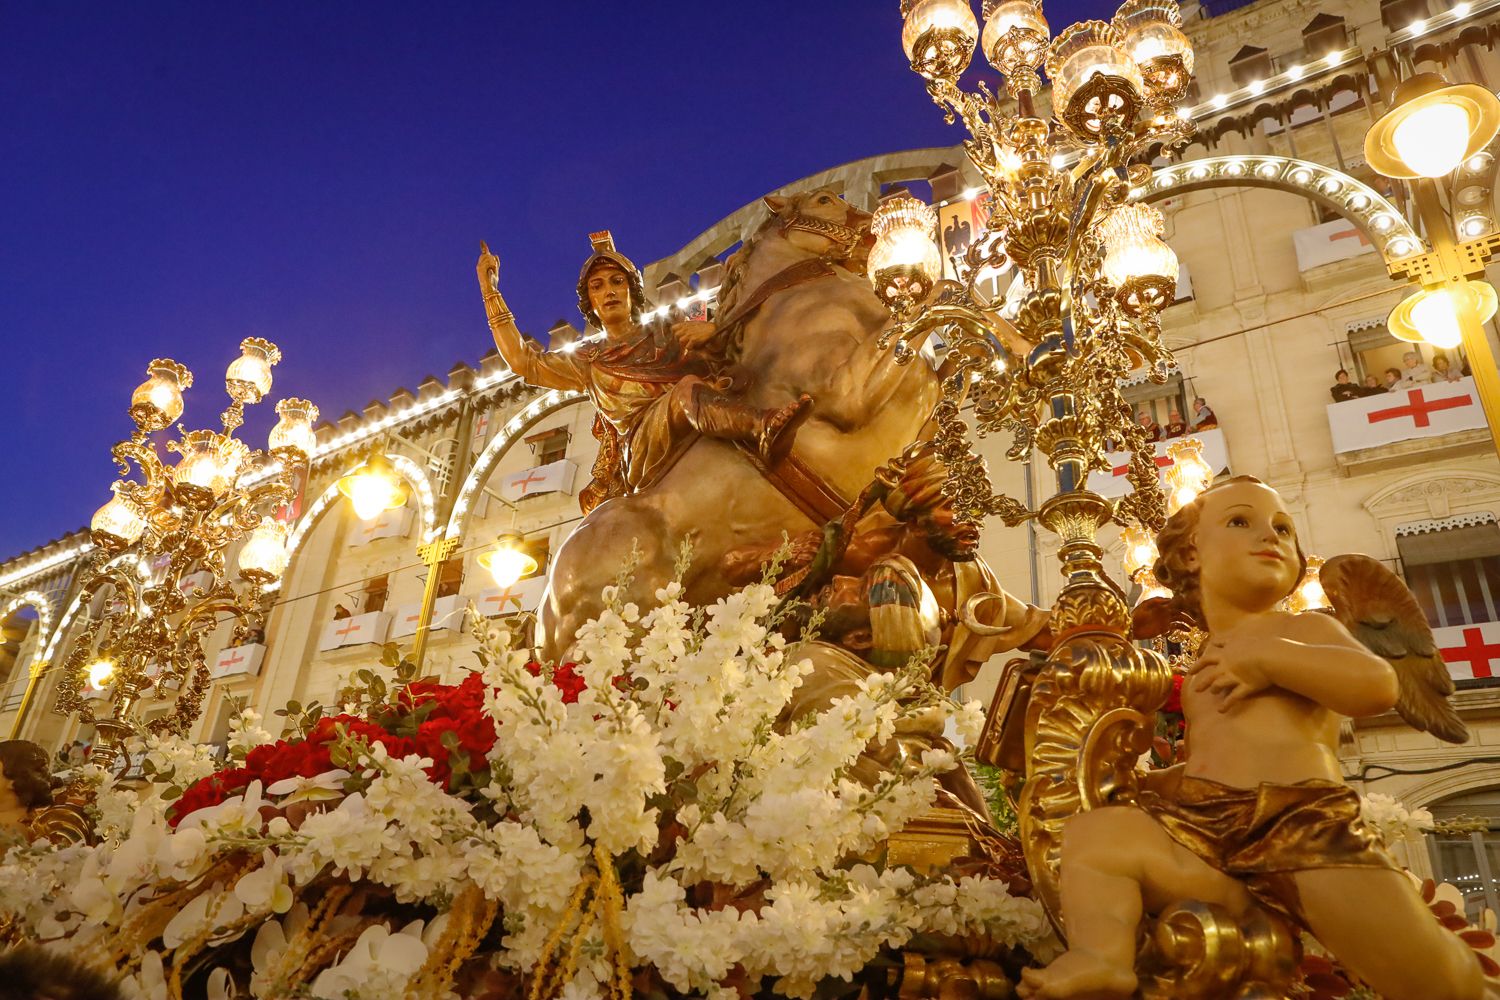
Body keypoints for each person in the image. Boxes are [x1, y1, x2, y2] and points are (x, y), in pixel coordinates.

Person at [1017, 478, 1484, 1000]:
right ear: (1190, 555)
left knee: (1434, 979)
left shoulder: (1304, 629)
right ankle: (1101, 956)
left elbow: (1376, 685)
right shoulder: (1199, 669)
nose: (1272, 536)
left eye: (1283, 528)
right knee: (1096, 836)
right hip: (1210, 831)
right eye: (1242, 522)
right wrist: (1155, 786)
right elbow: (1212, 753)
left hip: (1297, 824)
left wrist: (1268, 660)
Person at [478, 233, 811, 513]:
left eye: (616, 282)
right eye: (597, 286)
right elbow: (524, 362)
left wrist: (715, 330)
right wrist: (490, 290)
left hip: (698, 429)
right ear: (589, 302)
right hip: (642, 451)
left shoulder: (669, 333)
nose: (608, 291)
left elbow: (734, 353)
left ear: (631, 291)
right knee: (684, 392)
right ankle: (762, 426)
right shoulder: (588, 360)